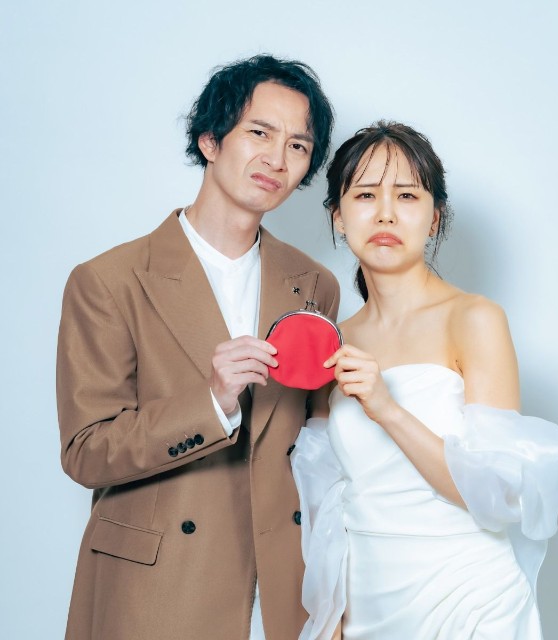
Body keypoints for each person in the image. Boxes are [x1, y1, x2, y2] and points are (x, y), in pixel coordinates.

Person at [56, 54, 339, 640]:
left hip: (283, 590)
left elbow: (315, 446)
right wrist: (211, 404)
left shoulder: (315, 285)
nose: (277, 159)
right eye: (259, 133)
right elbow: (86, 451)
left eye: (298, 145)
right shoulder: (109, 281)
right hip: (160, 591)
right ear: (210, 140)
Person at [291, 122, 558, 639]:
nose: (385, 213)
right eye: (365, 195)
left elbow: (497, 493)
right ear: (338, 217)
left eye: (407, 195)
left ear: (434, 218)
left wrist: (387, 409)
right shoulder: (334, 340)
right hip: (366, 605)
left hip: (468, 599)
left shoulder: (474, 319)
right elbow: (323, 495)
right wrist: (331, 610)